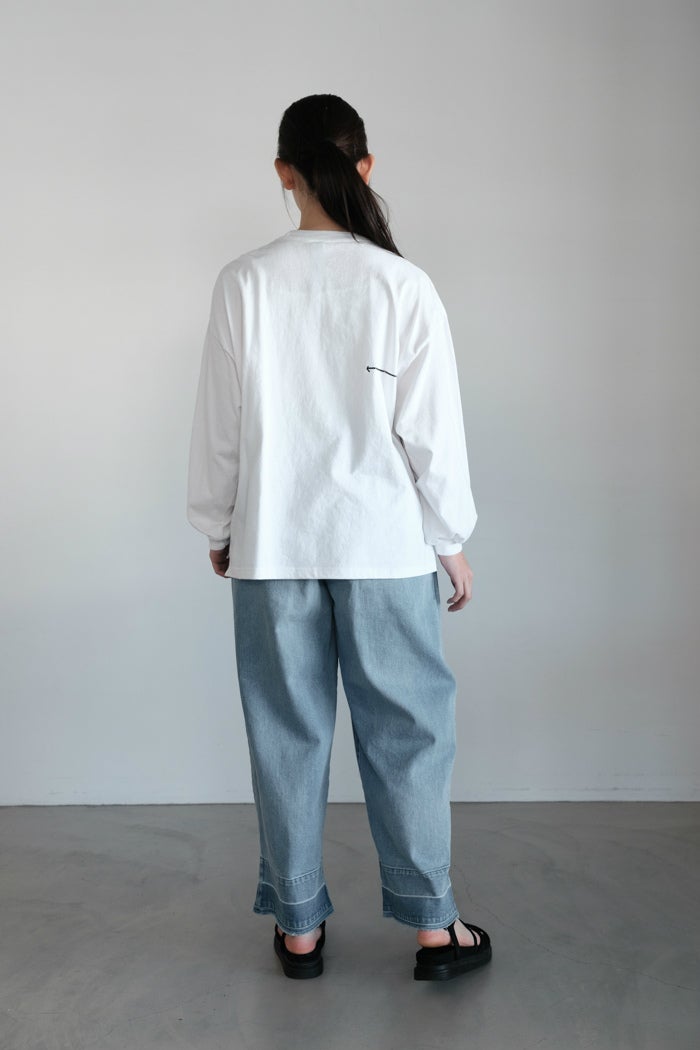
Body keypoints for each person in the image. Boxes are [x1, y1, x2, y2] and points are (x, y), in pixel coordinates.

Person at [186, 93, 492, 982]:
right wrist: (449, 538)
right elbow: (431, 431)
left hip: (273, 542)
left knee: (286, 732)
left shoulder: (245, 281)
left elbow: (220, 424)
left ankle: (299, 928)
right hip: (384, 544)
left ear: (283, 172)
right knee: (409, 731)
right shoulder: (402, 284)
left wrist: (219, 521)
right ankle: (434, 928)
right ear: (365, 167)